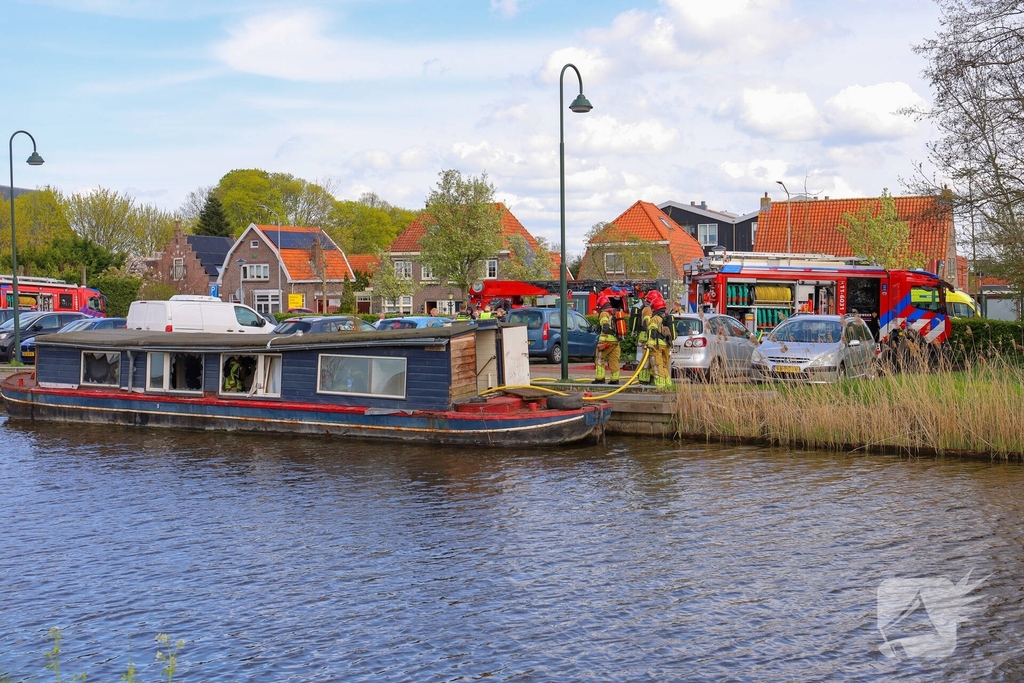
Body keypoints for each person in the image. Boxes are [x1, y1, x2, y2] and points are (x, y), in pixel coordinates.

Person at [645, 290, 672, 388]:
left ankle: (660, 386)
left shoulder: (654, 319)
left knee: (656, 365)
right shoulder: (666, 317)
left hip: (657, 346)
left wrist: (649, 345)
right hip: (666, 346)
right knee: (663, 366)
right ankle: (668, 385)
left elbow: (652, 333)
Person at [593, 295, 621, 385]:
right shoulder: (613, 312)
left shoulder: (604, 313)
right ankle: (614, 380)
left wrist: (601, 342)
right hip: (615, 341)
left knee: (600, 358)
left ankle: (600, 379)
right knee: (614, 360)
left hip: (606, 341)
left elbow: (605, 327)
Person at [636, 305, 653, 384]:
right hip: (648, 343)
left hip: (645, 343)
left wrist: (640, 341)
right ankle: (646, 378)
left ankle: (643, 379)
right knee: (648, 361)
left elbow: (645, 332)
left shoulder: (646, 318)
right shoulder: (651, 318)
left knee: (645, 361)